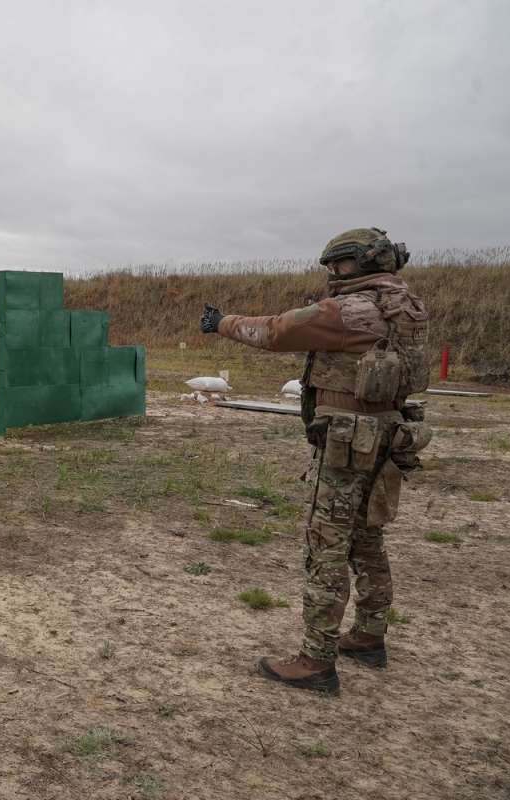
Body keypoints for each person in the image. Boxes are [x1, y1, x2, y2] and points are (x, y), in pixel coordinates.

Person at [201, 227, 431, 694]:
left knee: (326, 543)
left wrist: (222, 322)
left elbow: (275, 330)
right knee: (368, 537)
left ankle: (316, 660)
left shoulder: (349, 310)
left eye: (340, 265)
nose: (333, 273)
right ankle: (369, 635)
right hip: (389, 434)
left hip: (349, 442)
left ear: (364, 264)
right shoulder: (406, 307)